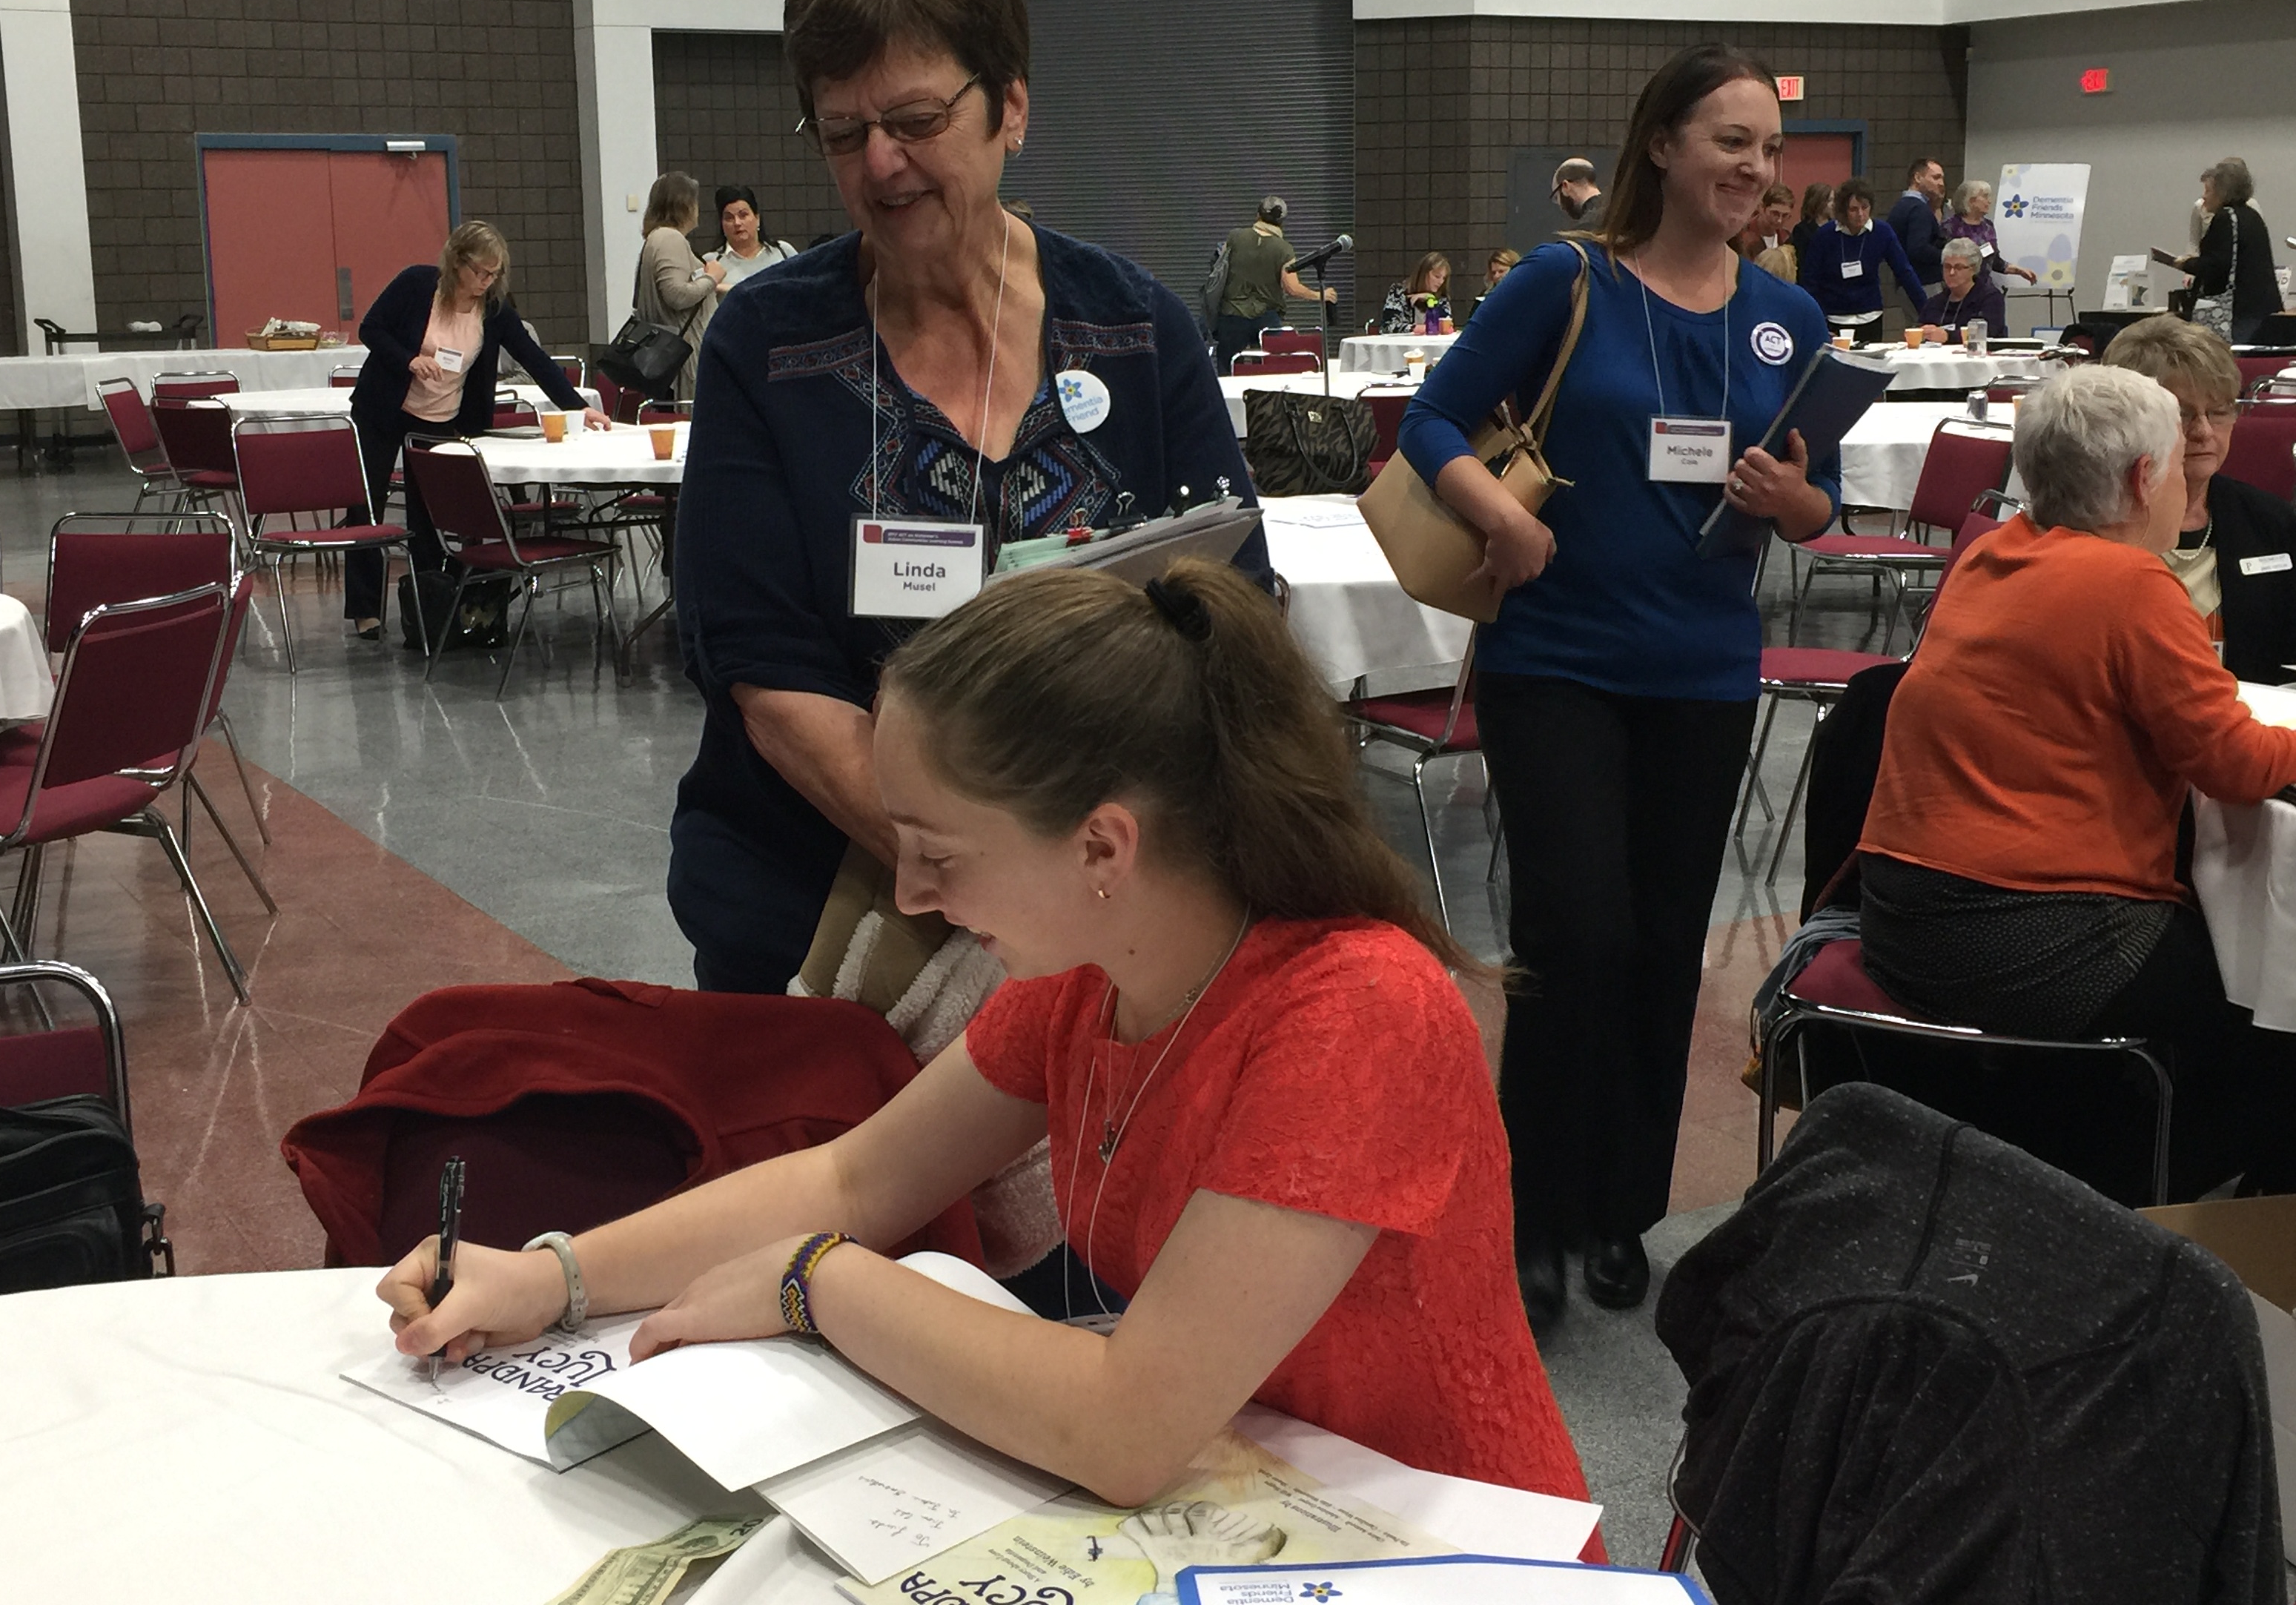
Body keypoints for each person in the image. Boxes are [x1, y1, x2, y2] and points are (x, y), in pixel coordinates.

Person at [382, 560, 1597, 1518]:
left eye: (939, 851)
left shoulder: (1353, 1011)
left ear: (1102, 847)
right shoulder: (1092, 973)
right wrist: (549, 1276)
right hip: (1252, 1494)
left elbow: (1125, 1425)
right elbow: (856, 1173)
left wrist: (820, 1279)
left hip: (1448, 1536)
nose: (908, 893)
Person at [666, 0, 1260, 997]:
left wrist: (1076, 890)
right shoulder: (773, 343)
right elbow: (767, 669)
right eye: (843, 133)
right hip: (818, 921)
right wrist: (978, 882)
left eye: (916, 118)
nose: (881, 163)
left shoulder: (1137, 332)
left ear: (1012, 108)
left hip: (1106, 917)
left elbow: (1229, 615)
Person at [1399, 44, 1840, 1336]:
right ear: (1660, 144)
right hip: (1558, 662)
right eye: (1729, 142)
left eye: (1766, 150)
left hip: (1701, 668)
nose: (1753, 171)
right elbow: (1431, 421)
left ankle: (1617, 1208)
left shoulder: (1786, 319)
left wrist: (1791, 502)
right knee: (1572, 934)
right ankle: (1527, 1207)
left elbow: (1811, 508)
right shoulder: (1565, 280)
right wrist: (1498, 515)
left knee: (1659, 946)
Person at [1857, 363, 2296, 1198]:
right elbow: (2236, 763)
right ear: (2145, 478)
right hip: (2030, 933)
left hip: (1907, 914)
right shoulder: (2128, 581)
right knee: (2274, 1034)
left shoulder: (1996, 554)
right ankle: (2132, 1218)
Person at [342, 221, 603, 640]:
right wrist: (410, 359)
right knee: (367, 506)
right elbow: (371, 329)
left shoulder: (494, 309)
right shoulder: (416, 284)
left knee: (427, 514)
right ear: (457, 262)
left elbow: (535, 360)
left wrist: (578, 407)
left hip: (443, 416)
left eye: (495, 273)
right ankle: (365, 609)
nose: (487, 281)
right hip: (383, 409)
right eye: (480, 272)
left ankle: (427, 606)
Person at [2107, 315, 2296, 680]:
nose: (2204, 432)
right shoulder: (2092, 523)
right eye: (2182, 414)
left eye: (2219, 411)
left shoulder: (2269, 521)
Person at [1211, 196, 1335, 372]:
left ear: (1257, 215)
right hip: (1266, 318)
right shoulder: (1283, 249)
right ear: (1282, 221)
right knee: (1272, 368)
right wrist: (1320, 295)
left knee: (1228, 368)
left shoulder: (1235, 237)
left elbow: (1218, 271)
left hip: (1232, 316)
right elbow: (1291, 287)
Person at [1801, 178, 1929, 345]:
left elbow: (1905, 272)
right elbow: (1811, 280)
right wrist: (1816, 321)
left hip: (1871, 317)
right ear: (1843, 210)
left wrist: (1927, 313)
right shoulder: (1825, 235)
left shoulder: (1882, 232)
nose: (1860, 214)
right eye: (1854, 209)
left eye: (1865, 208)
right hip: (1834, 318)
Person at [2168, 157, 2282, 345]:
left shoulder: (2225, 218)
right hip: (2261, 309)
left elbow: (2216, 265)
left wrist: (2186, 264)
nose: (2203, 197)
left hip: (2236, 312)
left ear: (2222, 192)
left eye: (2208, 191)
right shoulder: (2252, 216)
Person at [632, 172, 721, 405]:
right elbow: (677, 295)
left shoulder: (656, 238)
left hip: (666, 356)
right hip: (682, 360)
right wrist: (712, 279)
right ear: (685, 205)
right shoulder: (670, 239)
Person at [703, 184, 796, 292]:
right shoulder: (711, 262)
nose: (737, 223)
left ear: (757, 219)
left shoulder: (784, 251)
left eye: (743, 215)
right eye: (729, 218)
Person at [1943, 179, 2037, 286]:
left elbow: (1995, 262)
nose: (1989, 201)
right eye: (1985, 196)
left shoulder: (1988, 226)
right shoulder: (1951, 227)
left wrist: (2019, 271)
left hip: (1984, 288)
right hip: (1959, 287)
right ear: (1970, 200)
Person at [1917, 238, 2007, 341]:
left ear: (1973, 269)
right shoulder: (1934, 303)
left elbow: (1989, 333)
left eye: (1958, 267)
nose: (1951, 273)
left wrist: (1947, 336)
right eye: (1947, 267)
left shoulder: (1990, 298)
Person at [1886, 156, 1947, 298]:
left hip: (1906, 282)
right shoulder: (1918, 210)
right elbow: (1919, 248)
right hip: (1924, 283)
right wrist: (1948, 256)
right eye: (1936, 178)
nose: (1941, 184)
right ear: (1918, 178)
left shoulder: (1900, 207)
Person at [1378, 251, 1452, 333]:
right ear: (1423, 274)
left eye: (1444, 278)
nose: (1441, 282)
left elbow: (1446, 327)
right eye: (1437, 276)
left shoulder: (1442, 299)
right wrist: (1415, 329)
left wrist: (1431, 299)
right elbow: (1388, 326)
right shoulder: (1398, 292)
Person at [1740, 182, 1799, 283]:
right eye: (1775, 213)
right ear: (1761, 208)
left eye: (1785, 216)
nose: (1779, 220)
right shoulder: (1742, 238)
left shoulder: (1787, 238)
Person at [1788, 181, 1834, 262]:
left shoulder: (1836, 227)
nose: (1833, 204)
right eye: (1830, 200)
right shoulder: (1802, 230)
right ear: (1819, 202)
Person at [1552, 158, 1604, 229]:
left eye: (1557, 197)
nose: (1561, 207)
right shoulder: (1617, 211)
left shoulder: (1586, 228)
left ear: (1566, 186)